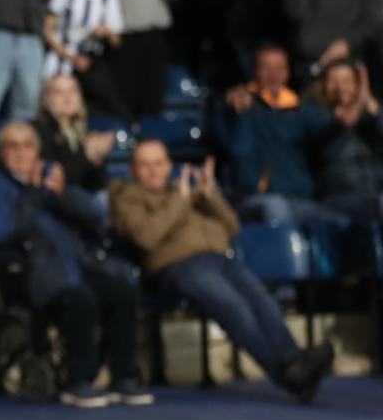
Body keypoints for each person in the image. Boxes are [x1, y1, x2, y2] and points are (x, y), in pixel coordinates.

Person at [110, 139, 335, 401]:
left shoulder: (187, 191)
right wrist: (180, 200)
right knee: (235, 308)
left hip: (220, 258)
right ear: (132, 169)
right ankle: (288, 375)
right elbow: (146, 237)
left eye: (159, 163)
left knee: (263, 302)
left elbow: (232, 226)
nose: (153, 171)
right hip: (177, 265)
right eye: (145, 165)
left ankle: (294, 361)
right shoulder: (126, 196)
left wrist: (209, 195)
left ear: (169, 165)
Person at [0, 121, 150, 408]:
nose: (21, 152)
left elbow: (95, 215)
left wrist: (63, 194)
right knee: (79, 299)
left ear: (37, 151)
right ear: (0, 153)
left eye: (27, 146)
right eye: (12, 146)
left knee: (123, 293)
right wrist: (34, 194)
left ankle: (123, 377)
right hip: (29, 269)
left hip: (74, 262)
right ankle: (79, 381)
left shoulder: (51, 177)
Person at [223, 43, 342, 223]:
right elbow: (235, 148)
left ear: (287, 73)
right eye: (266, 68)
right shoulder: (243, 104)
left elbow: (331, 131)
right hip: (257, 200)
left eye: (279, 68)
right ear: (255, 71)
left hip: (300, 200)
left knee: (340, 224)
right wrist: (236, 110)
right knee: (276, 207)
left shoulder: (299, 108)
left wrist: (345, 116)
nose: (273, 75)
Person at [43, 0, 128, 120]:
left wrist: (106, 32)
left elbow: (117, 40)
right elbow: (47, 31)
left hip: (91, 65)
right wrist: (70, 57)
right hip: (61, 61)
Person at [314, 59, 383, 220]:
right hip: (337, 199)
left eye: (346, 81)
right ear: (324, 87)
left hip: (375, 193)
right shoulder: (314, 116)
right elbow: (344, 122)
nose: (340, 88)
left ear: (357, 86)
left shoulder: (371, 116)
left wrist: (370, 104)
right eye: (334, 81)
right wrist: (338, 122)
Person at [35, 73, 114, 194]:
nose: (68, 97)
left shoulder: (84, 130)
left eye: (73, 90)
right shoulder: (38, 130)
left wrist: (97, 159)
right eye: (59, 92)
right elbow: (55, 179)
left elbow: (95, 186)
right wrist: (87, 156)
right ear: (46, 98)